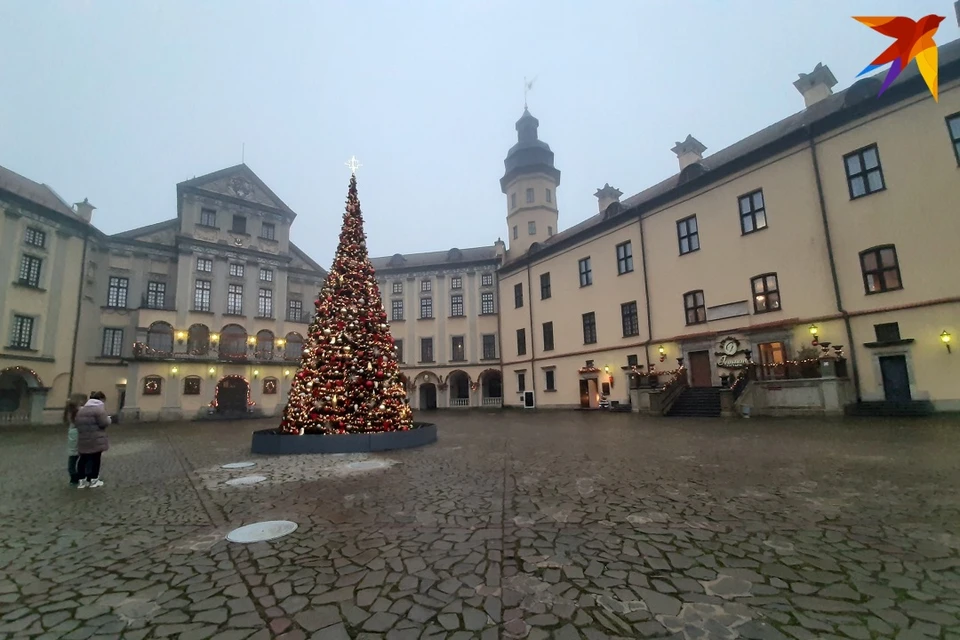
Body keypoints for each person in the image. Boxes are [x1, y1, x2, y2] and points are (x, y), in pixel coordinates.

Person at [75, 391, 111, 489]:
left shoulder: (82, 410)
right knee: (95, 459)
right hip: (96, 438)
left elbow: (76, 423)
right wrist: (108, 419)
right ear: (101, 399)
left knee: (83, 459)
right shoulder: (99, 410)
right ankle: (93, 479)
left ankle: (81, 481)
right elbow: (104, 423)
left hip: (83, 438)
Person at [64, 394, 87, 485]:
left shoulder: (69, 412)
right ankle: (78, 476)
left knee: (73, 456)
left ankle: (74, 476)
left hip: (73, 433)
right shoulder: (78, 411)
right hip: (79, 433)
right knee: (80, 456)